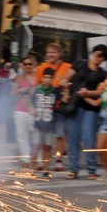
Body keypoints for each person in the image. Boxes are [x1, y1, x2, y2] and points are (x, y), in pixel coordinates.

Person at [62, 44, 107, 180]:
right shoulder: (79, 63)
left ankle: (91, 169)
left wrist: (88, 93)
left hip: (91, 107)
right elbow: (66, 79)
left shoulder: (103, 73)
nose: (98, 57)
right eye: (96, 54)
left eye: (101, 56)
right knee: (73, 139)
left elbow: (103, 91)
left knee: (89, 139)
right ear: (93, 53)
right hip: (74, 105)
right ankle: (73, 169)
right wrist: (65, 87)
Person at [35, 43, 71, 171]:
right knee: (44, 134)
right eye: (48, 52)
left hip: (59, 106)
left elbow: (70, 85)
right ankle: (43, 160)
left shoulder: (67, 67)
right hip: (45, 107)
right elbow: (37, 85)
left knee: (59, 134)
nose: (50, 54)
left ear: (59, 54)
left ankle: (59, 160)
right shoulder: (42, 67)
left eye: (53, 52)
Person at [32, 67, 61, 176]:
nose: (48, 80)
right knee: (35, 145)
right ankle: (33, 169)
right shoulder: (37, 90)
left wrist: (66, 90)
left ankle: (45, 169)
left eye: (50, 78)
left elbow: (62, 102)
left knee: (47, 146)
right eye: (46, 77)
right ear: (42, 78)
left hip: (49, 123)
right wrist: (32, 109)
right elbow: (30, 102)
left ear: (52, 79)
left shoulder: (56, 91)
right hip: (38, 122)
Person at [11, 55, 38, 164]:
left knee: (36, 136)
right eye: (25, 64)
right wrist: (21, 89)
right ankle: (25, 158)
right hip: (21, 109)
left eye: (30, 64)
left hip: (35, 110)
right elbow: (12, 93)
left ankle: (38, 160)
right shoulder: (20, 78)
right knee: (22, 136)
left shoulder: (38, 77)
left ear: (34, 64)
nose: (28, 66)